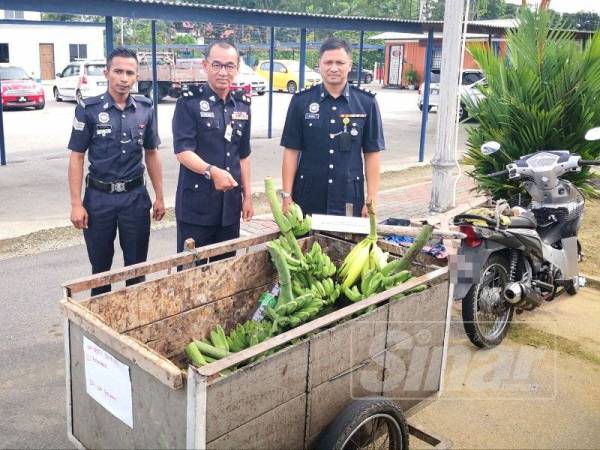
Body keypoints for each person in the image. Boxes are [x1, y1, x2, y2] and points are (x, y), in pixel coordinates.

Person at [68, 47, 165, 296]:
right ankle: (100, 328)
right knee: (101, 269)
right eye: (118, 71)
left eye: (129, 73)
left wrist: (160, 197)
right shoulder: (88, 110)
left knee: (136, 268)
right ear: (107, 73)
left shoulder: (145, 108)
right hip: (99, 199)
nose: (124, 78)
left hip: (135, 198)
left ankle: (133, 322)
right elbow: (77, 157)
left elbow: (152, 153)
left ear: (136, 76)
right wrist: (76, 204)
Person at [280, 37, 385, 218]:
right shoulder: (301, 101)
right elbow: (291, 151)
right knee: (303, 245)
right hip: (307, 196)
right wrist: (286, 196)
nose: (334, 68)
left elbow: (372, 153)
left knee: (346, 245)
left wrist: (372, 197)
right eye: (328, 62)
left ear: (350, 65)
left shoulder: (366, 103)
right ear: (319, 65)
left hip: (349, 195)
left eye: (340, 62)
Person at [172, 40, 253, 262]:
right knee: (191, 277)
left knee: (224, 272)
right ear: (205, 65)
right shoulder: (189, 103)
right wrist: (211, 171)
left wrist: (248, 197)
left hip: (229, 209)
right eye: (217, 65)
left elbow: (243, 155)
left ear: (237, 68)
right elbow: (182, 151)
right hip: (196, 208)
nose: (223, 72)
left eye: (229, 66)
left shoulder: (242, 105)